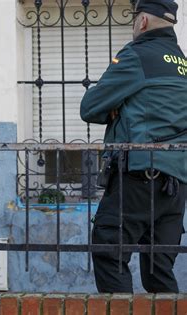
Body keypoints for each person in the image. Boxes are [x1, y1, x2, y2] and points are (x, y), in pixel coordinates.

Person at [80, 0, 186, 293]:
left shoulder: (136, 55)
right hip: (176, 185)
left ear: (142, 22)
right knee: (159, 270)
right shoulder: (182, 64)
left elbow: (90, 108)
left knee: (108, 251)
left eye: (134, 18)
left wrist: (117, 107)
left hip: (139, 177)